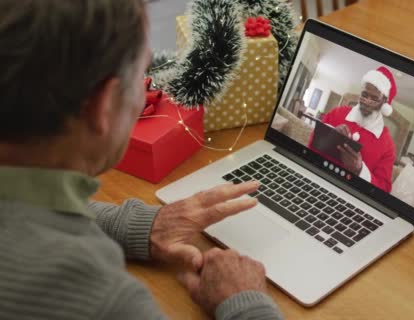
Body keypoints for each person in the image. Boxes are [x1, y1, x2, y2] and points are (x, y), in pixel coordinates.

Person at [0, 1, 282, 319]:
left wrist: (138, 226)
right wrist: (245, 301)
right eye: (143, 75)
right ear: (103, 106)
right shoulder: (105, 300)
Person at [310, 67, 397, 193]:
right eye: (364, 94)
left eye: (374, 98)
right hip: (317, 179)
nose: (366, 101)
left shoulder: (387, 145)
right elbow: (311, 146)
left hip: (352, 196)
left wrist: (360, 170)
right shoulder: (337, 113)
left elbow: (384, 190)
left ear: (384, 103)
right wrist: (330, 135)